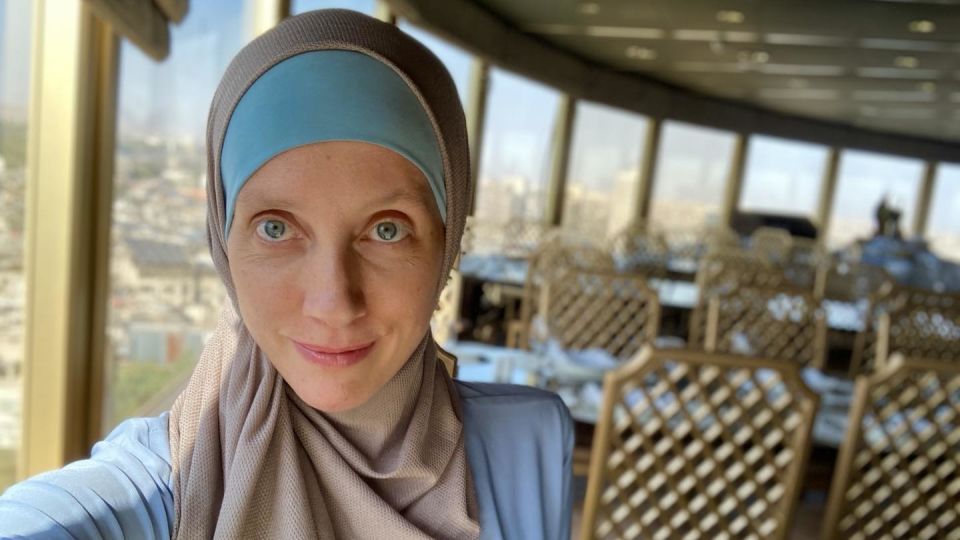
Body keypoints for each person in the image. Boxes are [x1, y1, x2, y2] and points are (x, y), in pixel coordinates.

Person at [0, 9, 573, 539]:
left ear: (446, 245)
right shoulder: (159, 488)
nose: (333, 301)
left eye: (387, 229)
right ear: (223, 243)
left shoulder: (531, 444)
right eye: (275, 228)